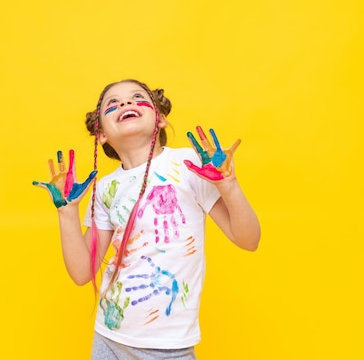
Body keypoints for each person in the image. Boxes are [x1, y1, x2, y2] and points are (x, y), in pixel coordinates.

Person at [33, 79, 261, 359]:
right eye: (113, 103)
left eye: (137, 97)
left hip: (168, 347)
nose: (126, 104)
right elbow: (82, 273)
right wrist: (66, 212)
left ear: (161, 119)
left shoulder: (188, 164)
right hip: (109, 336)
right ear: (101, 134)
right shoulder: (106, 187)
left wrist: (229, 186)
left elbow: (249, 240)